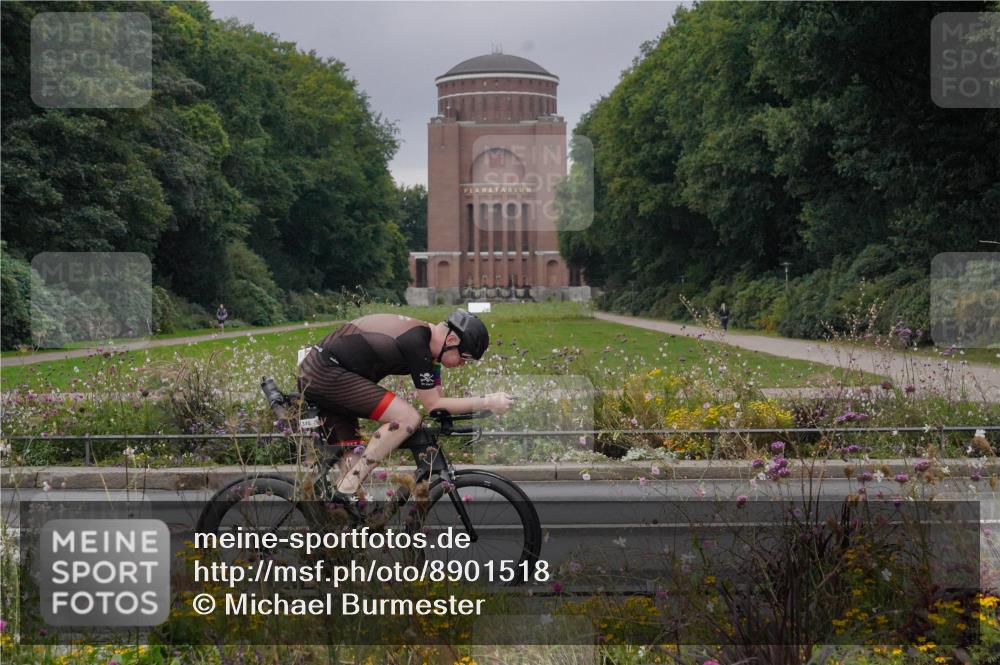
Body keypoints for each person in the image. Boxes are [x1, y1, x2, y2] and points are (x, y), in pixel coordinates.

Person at [298, 309, 514, 503]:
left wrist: (477, 409)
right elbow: (433, 404)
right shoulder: (416, 341)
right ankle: (347, 487)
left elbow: (439, 405)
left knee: (350, 484)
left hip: (330, 373)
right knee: (406, 418)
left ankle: (334, 533)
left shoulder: (428, 352)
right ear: (452, 339)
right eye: (465, 357)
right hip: (323, 373)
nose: (463, 364)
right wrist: (487, 401)